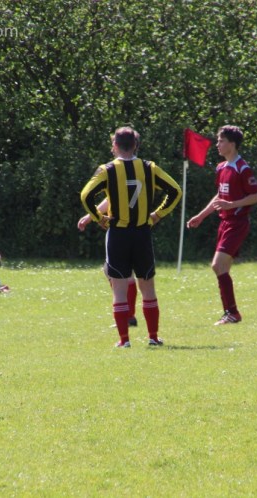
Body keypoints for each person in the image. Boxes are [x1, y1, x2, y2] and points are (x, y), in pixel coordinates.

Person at [80, 126, 182, 347]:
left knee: (119, 290)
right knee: (148, 288)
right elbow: (176, 190)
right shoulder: (149, 168)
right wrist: (157, 214)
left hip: (118, 234)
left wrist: (98, 217)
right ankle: (153, 337)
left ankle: (124, 340)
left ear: (114, 146)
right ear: (135, 145)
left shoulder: (107, 170)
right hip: (142, 233)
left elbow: (85, 195)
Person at [186, 125, 257, 325]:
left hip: (237, 223)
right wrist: (201, 216)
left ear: (232, 144)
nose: (217, 144)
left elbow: (255, 196)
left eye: (221, 141)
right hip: (225, 223)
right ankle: (230, 313)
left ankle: (232, 313)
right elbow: (219, 196)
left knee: (217, 265)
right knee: (223, 269)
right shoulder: (221, 167)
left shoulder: (242, 168)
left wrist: (232, 204)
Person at [77, 198, 138, 327]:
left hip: (122, 230)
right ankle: (128, 316)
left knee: (120, 274)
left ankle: (127, 316)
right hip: (133, 229)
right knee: (116, 272)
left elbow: (116, 199)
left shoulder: (125, 184)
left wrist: (95, 217)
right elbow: (111, 198)